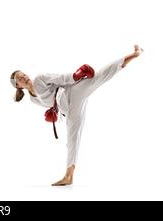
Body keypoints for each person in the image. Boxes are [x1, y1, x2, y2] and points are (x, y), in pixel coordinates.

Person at [10, 45, 143, 186]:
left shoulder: (38, 79)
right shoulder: (32, 99)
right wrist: (53, 112)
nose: (24, 77)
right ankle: (68, 176)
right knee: (72, 138)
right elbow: (49, 104)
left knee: (100, 77)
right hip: (68, 109)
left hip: (71, 92)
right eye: (20, 78)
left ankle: (134, 54)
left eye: (23, 74)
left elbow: (60, 78)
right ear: (18, 86)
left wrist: (76, 75)